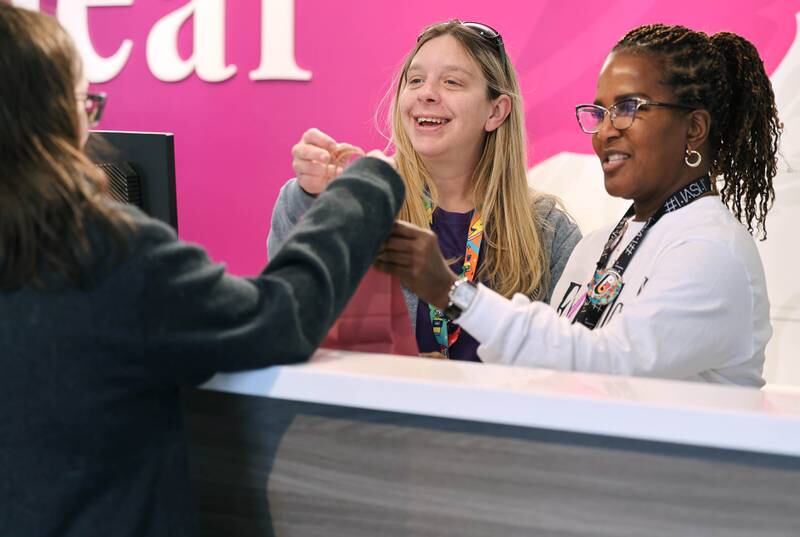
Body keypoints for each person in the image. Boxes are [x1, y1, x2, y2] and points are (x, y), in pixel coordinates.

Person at [0, 5, 405, 536]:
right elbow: (278, 318)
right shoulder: (103, 252)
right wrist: (366, 187)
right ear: (51, 116)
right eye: (86, 104)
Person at [376, 23, 780, 387]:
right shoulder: (599, 245)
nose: (605, 131)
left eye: (627, 109)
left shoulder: (711, 250)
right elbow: (547, 369)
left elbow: (604, 364)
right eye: (601, 112)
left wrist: (452, 292)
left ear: (693, 129)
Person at [269, 20, 581, 361]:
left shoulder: (549, 231)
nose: (426, 93)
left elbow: (570, 362)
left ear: (495, 111)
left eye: (452, 82)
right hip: (371, 414)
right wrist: (316, 200)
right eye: (415, 80)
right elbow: (289, 308)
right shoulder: (359, 203)